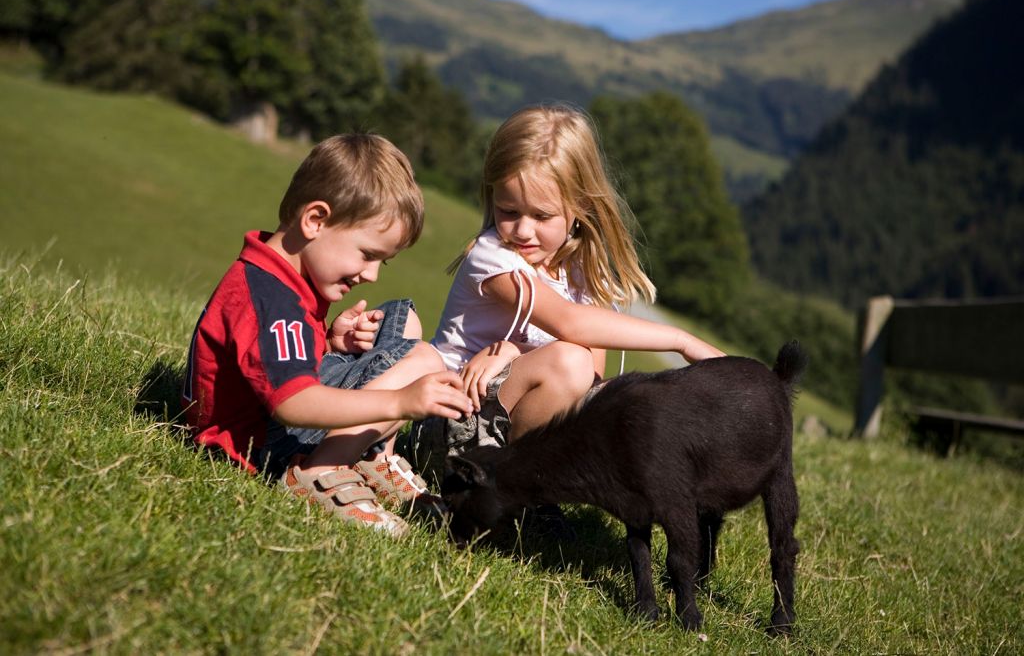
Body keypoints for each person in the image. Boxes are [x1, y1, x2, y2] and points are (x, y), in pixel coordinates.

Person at [406, 103, 725, 481]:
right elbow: (569, 324)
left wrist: (514, 351)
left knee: (589, 380)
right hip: (447, 426)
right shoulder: (492, 257)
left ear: (579, 208)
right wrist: (680, 341)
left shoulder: (584, 276)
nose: (522, 230)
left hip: (499, 431)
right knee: (569, 360)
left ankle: (523, 489)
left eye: (542, 216)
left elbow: (587, 378)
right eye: (509, 210)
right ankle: (508, 485)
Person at [182, 133, 473, 538]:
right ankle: (318, 471)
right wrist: (401, 402)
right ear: (315, 221)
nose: (370, 273)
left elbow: (276, 357)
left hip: (271, 421)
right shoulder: (271, 299)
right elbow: (294, 402)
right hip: (264, 444)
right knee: (422, 360)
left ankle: (372, 458)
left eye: (381, 263)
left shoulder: (279, 277)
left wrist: (332, 343)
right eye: (368, 255)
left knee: (401, 319)